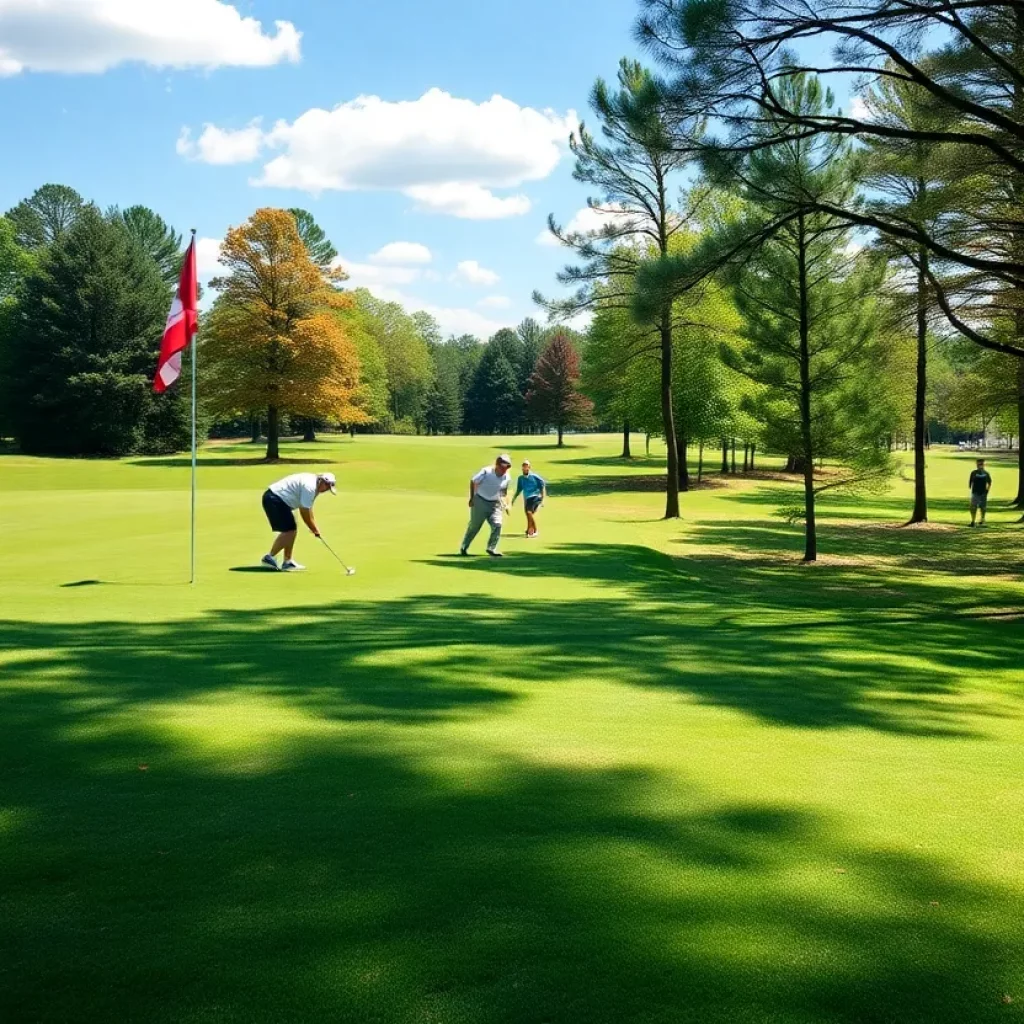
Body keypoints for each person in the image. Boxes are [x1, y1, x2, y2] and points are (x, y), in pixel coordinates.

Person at [261, 472, 337, 571]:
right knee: (289, 530)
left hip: (278, 500)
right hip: (274, 499)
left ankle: (287, 562)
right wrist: (314, 528)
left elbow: (309, 508)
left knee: (292, 528)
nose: (326, 490)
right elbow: (304, 511)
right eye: (326, 487)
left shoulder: (315, 485)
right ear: (322, 481)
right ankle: (269, 557)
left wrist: (314, 527)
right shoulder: (309, 487)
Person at [460, 454, 512, 557]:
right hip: (480, 501)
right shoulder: (486, 471)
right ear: (497, 464)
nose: (504, 469)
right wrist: (472, 497)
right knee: (474, 526)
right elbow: (474, 481)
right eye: (503, 466)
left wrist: (505, 504)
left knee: (498, 525)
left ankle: (491, 548)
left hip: (495, 504)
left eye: (507, 467)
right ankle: (464, 546)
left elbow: (503, 491)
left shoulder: (507, 477)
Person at [511, 459, 547, 538]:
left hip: (535, 496)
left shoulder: (534, 476)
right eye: (523, 466)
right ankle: (529, 530)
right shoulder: (520, 478)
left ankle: (535, 531)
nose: (525, 468)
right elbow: (519, 489)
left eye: (526, 466)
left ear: (529, 467)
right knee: (528, 514)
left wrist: (543, 497)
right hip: (527, 498)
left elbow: (542, 483)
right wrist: (514, 498)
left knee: (529, 512)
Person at [968, 458, 992, 527]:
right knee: (973, 507)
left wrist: (987, 490)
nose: (980, 465)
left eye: (982, 464)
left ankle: (982, 520)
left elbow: (989, 482)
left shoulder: (986, 473)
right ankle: (973, 521)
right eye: (979, 464)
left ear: (984, 465)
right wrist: (971, 487)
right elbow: (970, 482)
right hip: (975, 492)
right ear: (976, 464)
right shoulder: (973, 473)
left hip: (983, 493)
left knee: (983, 507)